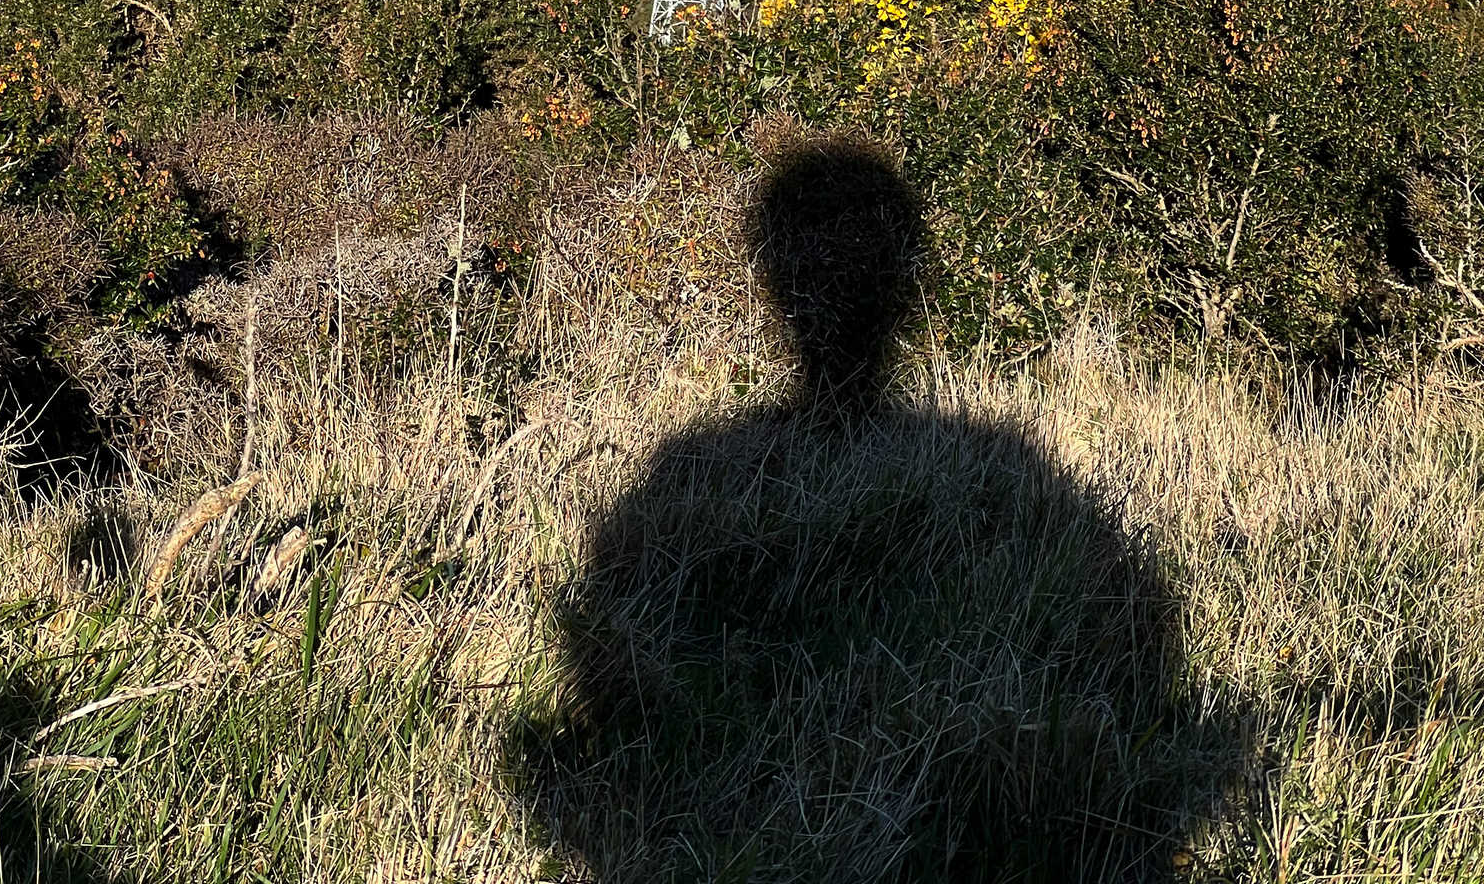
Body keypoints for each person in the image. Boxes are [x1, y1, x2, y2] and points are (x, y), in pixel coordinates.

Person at [521, 137, 1232, 881]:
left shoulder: (689, 481)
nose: (832, 293)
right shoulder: (1002, 480)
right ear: (913, 287)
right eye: (816, 267)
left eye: (843, 267)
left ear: (768, 283)